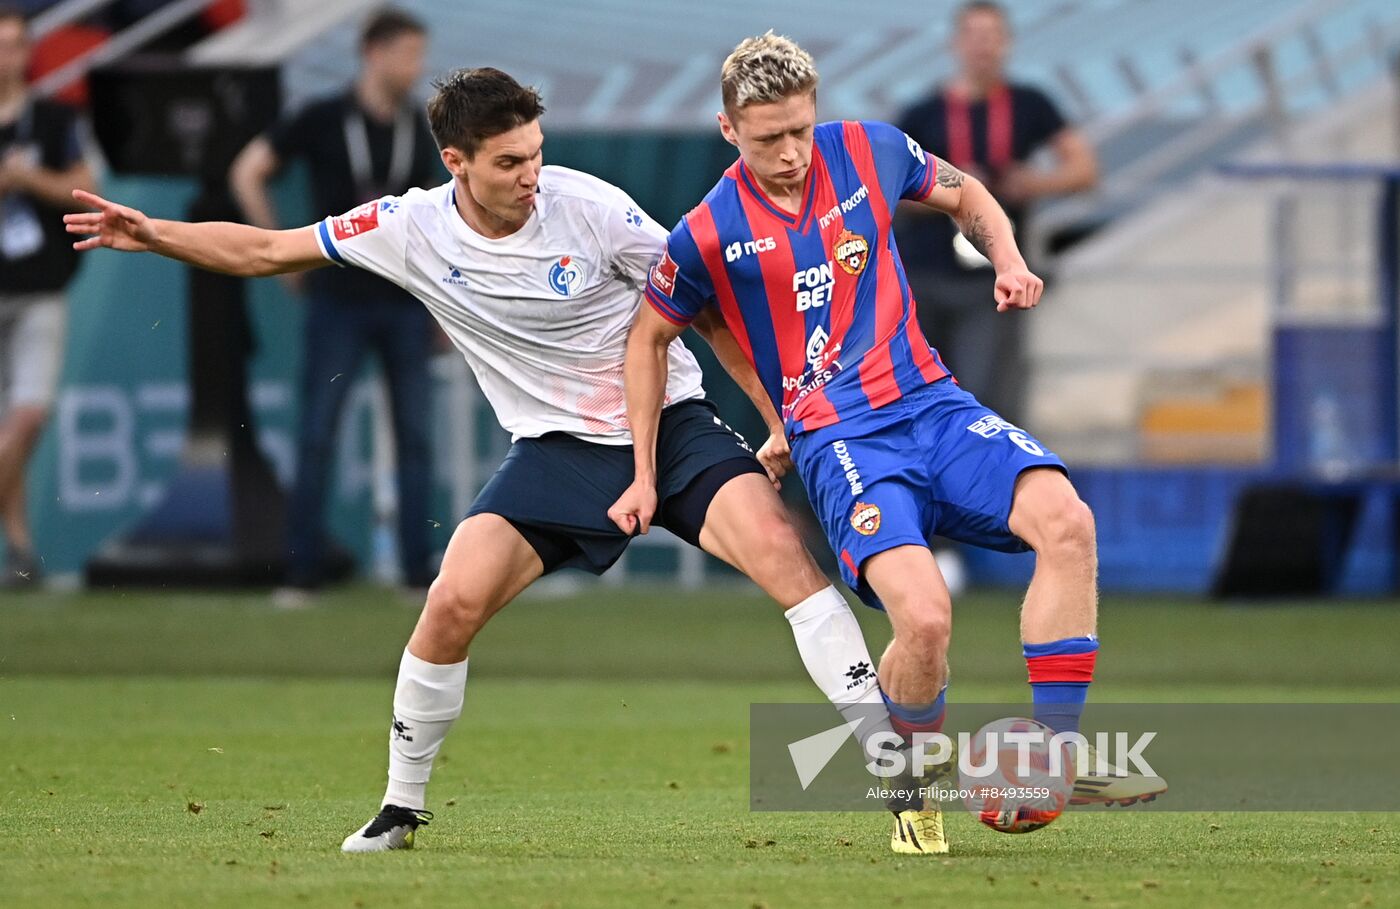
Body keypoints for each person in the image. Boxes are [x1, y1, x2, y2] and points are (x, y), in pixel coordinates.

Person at [66, 67, 904, 855]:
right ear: (455, 161)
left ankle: (889, 765)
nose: (531, 174)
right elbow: (265, 250)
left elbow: (707, 313)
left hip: (671, 425)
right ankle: (400, 805)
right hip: (554, 450)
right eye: (509, 162)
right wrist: (154, 233)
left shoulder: (595, 209)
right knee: (451, 602)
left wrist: (777, 419)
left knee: (785, 560)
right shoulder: (406, 227)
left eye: (537, 153)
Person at [620, 32, 1163, 856]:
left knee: (1067, 521)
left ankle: (1053, 754)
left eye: (801, 129)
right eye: (769, 138)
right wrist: (649, 467)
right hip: (843, 443)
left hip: (933, 406)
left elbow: (967, 192)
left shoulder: (869, 148)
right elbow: (652, 339)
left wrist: (1008, 260)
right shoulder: (706, 232)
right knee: (925, 618)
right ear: (729, 131)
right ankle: (910, 787)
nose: (793, 152)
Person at [229, 8, 442, 597]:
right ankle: (301, 572)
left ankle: (416, 570)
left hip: (403, 300)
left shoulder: (417, 127)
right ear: (372, 52)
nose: (416, 67)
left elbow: (433, 223)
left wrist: (441, 303)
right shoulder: (323, 117)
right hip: (338, 299)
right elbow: (248, 171)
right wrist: (282, 255)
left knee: (416, 437)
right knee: (318, 432)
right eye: (407, 54)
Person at [894, 0, 1096, 425]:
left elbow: (1084, 169)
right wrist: (950, 191)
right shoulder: (923, 114)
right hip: (924, 278)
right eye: (974, 37)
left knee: (985, 397)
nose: (982, 47)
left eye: (992, 37)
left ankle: (986, 488)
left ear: (1006, 44)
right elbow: (889, 196)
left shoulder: (1029, 104)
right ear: (956, 44)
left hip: (992, 281)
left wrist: (1034, 182)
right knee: (917, 395)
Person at [0, 5, 95, 587]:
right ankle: (19, 546)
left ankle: (18, 547)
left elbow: (86, 190)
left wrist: (26, 177)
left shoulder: (53, 119)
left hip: (39, 286)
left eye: (15, 44)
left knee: (29, 414)